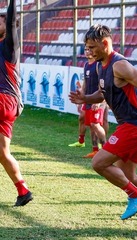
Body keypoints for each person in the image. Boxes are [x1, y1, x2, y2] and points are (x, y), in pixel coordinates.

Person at [69, 24, 137, 235]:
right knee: (129, 174)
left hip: (134, 125)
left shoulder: (121, 65)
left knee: (99, 162)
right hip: (128, 125)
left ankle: (135, 196)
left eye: (92, 47)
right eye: (87, 47)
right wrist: (85, 98)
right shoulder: (101, 66)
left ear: (106, 43)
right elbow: (102, 94)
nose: (88, 52)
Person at [0, 0, 33, 206]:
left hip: (4, 98)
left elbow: (12, 20)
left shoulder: (10, 45)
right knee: (3, 153)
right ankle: (23, 191)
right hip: (6, 104)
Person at [69, 49, 109, 158]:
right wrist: (82, 95)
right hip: (88, 99)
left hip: (97, 100)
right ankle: (95, 150)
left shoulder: (98, 65)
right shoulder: (87, 65)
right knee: (91, 125)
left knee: (96, 124)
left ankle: (106, 150)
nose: (87, 52)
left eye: (90, 49)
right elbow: (86, 83)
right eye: (86, 49)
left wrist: (99, 101)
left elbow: (103, 83)